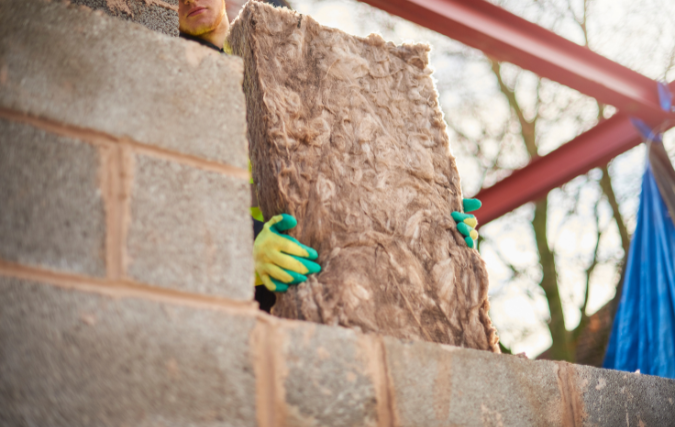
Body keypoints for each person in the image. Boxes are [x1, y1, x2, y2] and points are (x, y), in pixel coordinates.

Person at [177, 0, 482, 312]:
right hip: (243, 300)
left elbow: (354, 174)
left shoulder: (296, 76)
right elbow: (173, 190)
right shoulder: (175, 80)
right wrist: (241, 247)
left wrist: (434, 223)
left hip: (331, 292)